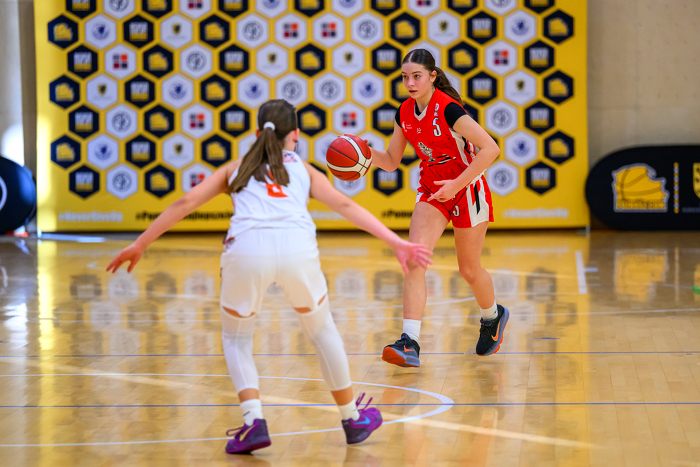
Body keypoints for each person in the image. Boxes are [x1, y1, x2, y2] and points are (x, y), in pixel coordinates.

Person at [106, 99, 433, 454]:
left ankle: (254, 421)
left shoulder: (236, 167)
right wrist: (396, 242)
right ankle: (351, 419)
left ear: (257, 132)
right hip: (297, 250)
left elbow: (185, 203)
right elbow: (345, 205)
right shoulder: (304, 169)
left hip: (246, 250)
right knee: (322, 332)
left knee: (236, 338)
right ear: (296, 134)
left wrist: (140, 243)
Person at [365, 49, 509, 368]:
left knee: (469, 269)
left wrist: (455, 185)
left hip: (467, 189)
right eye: (405, 77)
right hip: (432, 190)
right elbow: (391, 161)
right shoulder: (404, 112)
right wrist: (363, 152)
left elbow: (491, 149)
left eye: (417, 76)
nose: (410, 83)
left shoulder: (449, 109)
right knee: (414, 261)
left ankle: (492, 317)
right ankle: (410, 342)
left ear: (432, 77)